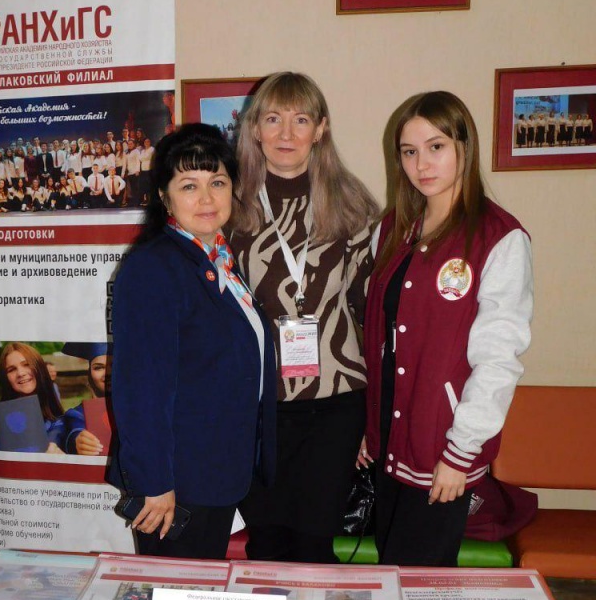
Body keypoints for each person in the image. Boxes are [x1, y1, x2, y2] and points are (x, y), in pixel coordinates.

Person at [359, 90, 533, 567]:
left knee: (422, 584)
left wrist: (461, 452)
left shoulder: (498, 238)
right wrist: (368, 427)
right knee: (393, 571)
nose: (421, 164)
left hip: (442, 446)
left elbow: (498, 359)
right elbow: (380, 340)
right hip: (389, 441)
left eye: (435, 147)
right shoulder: (392, 230)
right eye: (409, 151)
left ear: (464, 146)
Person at [109, 123, 276, 559]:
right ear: (164, 197)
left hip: (216, 472)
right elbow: (141, 387)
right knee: (175, 595)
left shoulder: (218, 258)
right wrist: (154, 482)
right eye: (189, 185)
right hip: (176, 483)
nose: (206, 198)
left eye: (217, 182)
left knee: (200, 593)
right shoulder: (154, 268)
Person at [230, 72, 377, 563]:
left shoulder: (352, 204)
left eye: (301, 119)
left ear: (321, 129)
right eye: (273, 119)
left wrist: (373, 418)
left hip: (335, 404)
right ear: (255, 129)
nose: (287, 134)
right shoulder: (229, 205)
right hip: (257, 406)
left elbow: (369, 313)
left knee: (314, 543)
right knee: (267, 543)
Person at [0, 342, 65, 453]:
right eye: (11, 369)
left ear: (39, 367)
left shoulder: (61, 424)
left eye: (26, 364)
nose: (20, 373)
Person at [62, 342, 112, 455]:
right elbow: (75, 431)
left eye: (114, 365)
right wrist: (78, 442)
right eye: (98, 368)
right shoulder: (78, 414)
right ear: (89, 375)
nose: (108, 373)